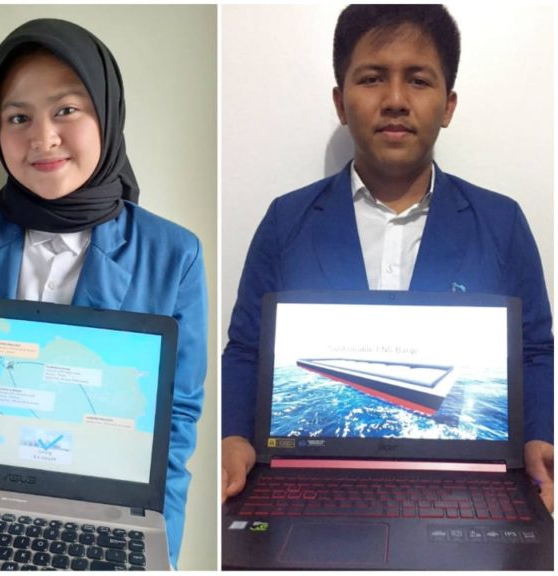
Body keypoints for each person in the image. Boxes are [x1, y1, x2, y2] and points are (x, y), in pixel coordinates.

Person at [0, 19, 207, 566]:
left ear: (107, 111)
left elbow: (174, 431)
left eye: (66, 110)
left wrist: (159, 554)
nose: (42, 137)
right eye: (17, 117)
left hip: (98, 512)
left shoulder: (174, 254)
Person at [221, 4, 554, 513]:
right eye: (373, 78)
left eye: (418, 81)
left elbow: (535, 352)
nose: (395, 100)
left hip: (462, 485)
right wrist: (233, 436)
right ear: (340, 101)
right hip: (313, 483)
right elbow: (246, 350)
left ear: (448, 104)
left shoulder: (501, 223)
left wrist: (541, 437)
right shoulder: (287, 221)